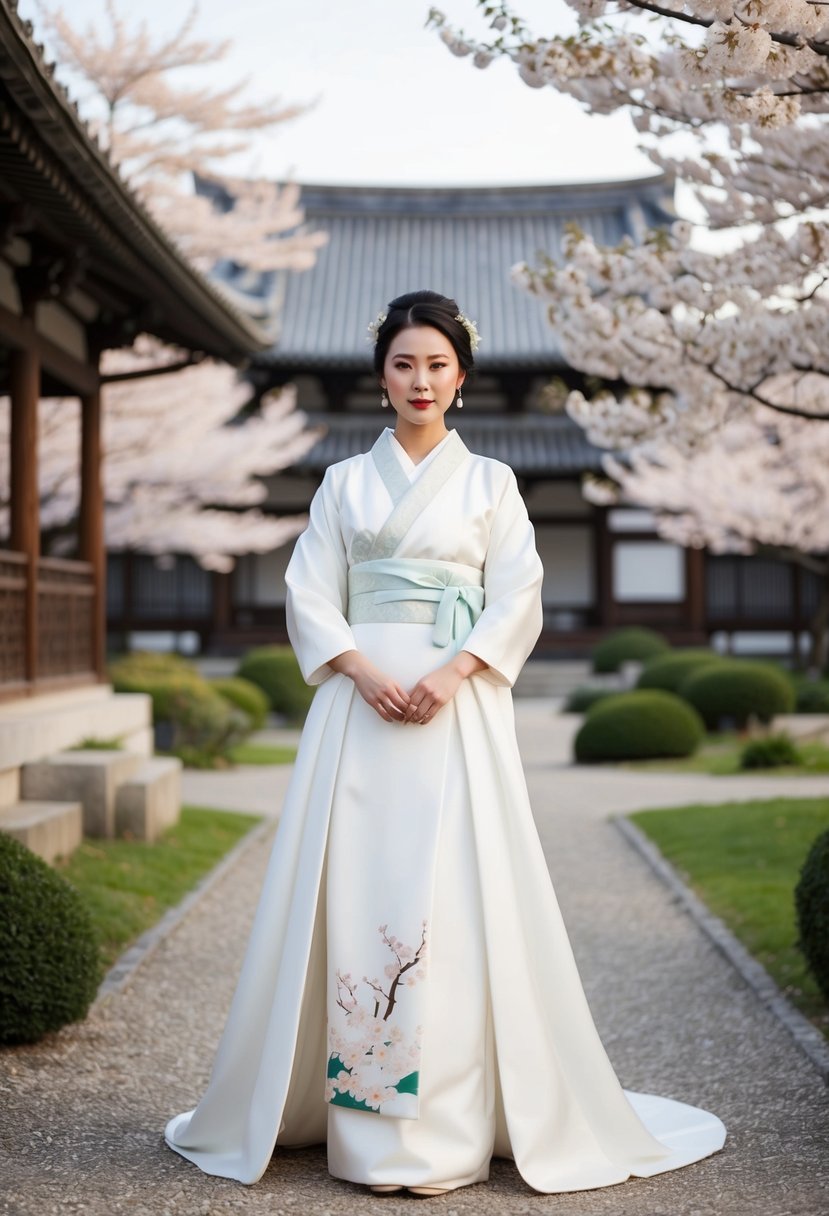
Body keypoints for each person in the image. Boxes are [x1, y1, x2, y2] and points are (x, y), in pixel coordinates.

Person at [164, 289, 726, 1196]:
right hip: (359, 714)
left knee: (458, 903)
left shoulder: (492, 483)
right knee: (353, 894)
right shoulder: (343, 482)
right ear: (380, 376)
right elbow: (309, 592)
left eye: (435, 364)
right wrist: (357, 667)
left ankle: (448, 1127)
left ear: (460, 377)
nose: (419, 380)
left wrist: (453, 670)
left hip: (455, 713)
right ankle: (360, 1124)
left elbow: (518, 594)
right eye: (402, 363)